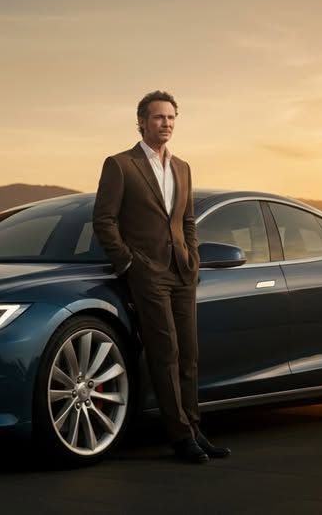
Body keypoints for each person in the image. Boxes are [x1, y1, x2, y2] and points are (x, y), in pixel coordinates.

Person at [92, 90, 231, 463]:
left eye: (171, 118)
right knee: (165, 352)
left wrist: (193, 259)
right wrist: (128, 263)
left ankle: (195, 428)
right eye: (158, 118)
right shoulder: (120, 165)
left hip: (182, 272)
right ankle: (180, 436)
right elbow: (104, 220)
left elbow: (186, 220)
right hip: (146, 273)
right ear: (141, 122)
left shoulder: (182, 167)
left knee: (189, 354)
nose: (166, 123)